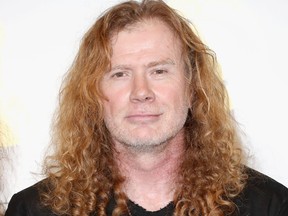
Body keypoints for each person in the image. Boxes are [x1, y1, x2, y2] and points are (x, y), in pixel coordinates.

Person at [5, 0, 288, 215]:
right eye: (119, 74)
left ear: (192, 87)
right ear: (93, 95)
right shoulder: (34, 209)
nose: (141, 92)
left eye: (159, 71)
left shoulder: (269, 205)